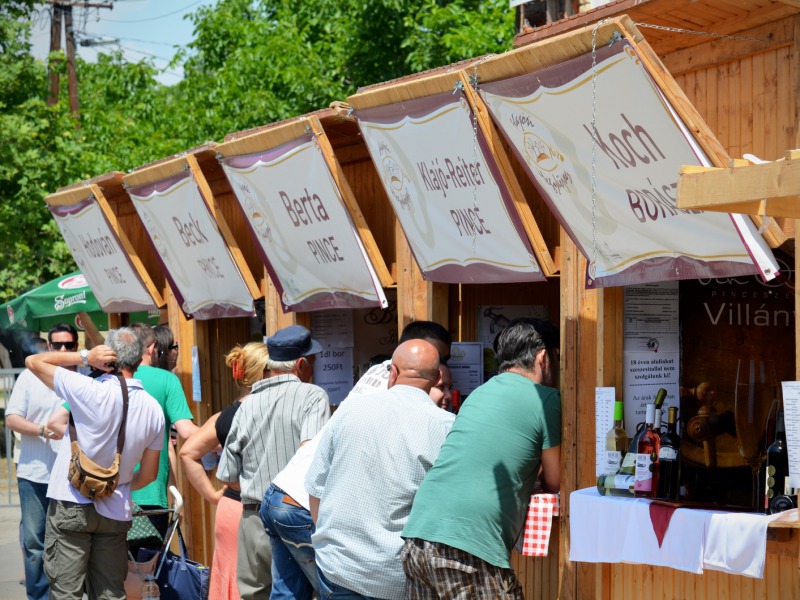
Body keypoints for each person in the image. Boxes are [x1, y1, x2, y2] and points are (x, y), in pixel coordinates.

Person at [260, 320, 454, 600]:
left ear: (393, 372)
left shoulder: (353, 407)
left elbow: (316, 487)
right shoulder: (446, 427)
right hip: (391, 575)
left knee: (285, 594)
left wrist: (328, 543)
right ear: (437, 377)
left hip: (325, 548)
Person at [401, 318, 562, 599]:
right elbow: (556, 479)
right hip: (466, 546)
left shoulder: (479, 393)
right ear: (543, 357)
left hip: (419, 535)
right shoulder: (545, 398)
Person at [26, 327, 165, 600]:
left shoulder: (86, 389)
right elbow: (148, 475)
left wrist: (86, 356)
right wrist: (117, 484)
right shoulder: (153, 409)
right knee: (110, 593)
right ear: (139, 360)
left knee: (66, 593)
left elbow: (33, 362)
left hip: (71, 500)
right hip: (115, 509)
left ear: (108, 356)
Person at [217, 325, 330, 600]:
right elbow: (315, 459)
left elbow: (228, 474)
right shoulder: (313, 396)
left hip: (253, 518)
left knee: (255, 595)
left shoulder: (248, 405)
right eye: (313, 360)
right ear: (302, 364)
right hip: (297, 516)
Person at [180, 342, 271, 600]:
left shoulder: (226, 415)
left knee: (231, 580)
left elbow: (188, 452)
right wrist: (210, 495)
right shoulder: (276, 412)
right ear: (266, 373)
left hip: (232, 508)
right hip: (258, 510)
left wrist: (211, 495)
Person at [6, 324, 76, 600]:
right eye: (57, 345)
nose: (62, 351)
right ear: (48, 347)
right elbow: (11, 419)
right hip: (35, 474)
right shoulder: (28, 377)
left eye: (68, 346)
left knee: (70, 543)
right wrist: (40, 430)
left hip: (73, 476)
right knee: (35, 543)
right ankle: (39, 597)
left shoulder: (81, 378)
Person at [128, 322, 198, 546]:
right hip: (150, 493)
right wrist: (222, 437)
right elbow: (183, 432)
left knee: (113, 571)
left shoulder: (103, 378)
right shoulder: (167, 380)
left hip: (107, 492)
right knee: (148, 570)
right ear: (151, 348)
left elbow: (58, 422)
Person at [348, 321, 451, 397]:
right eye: (434, 356)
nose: (440, 363)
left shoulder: (378, 368)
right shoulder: (406, 380)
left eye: (444, 359)